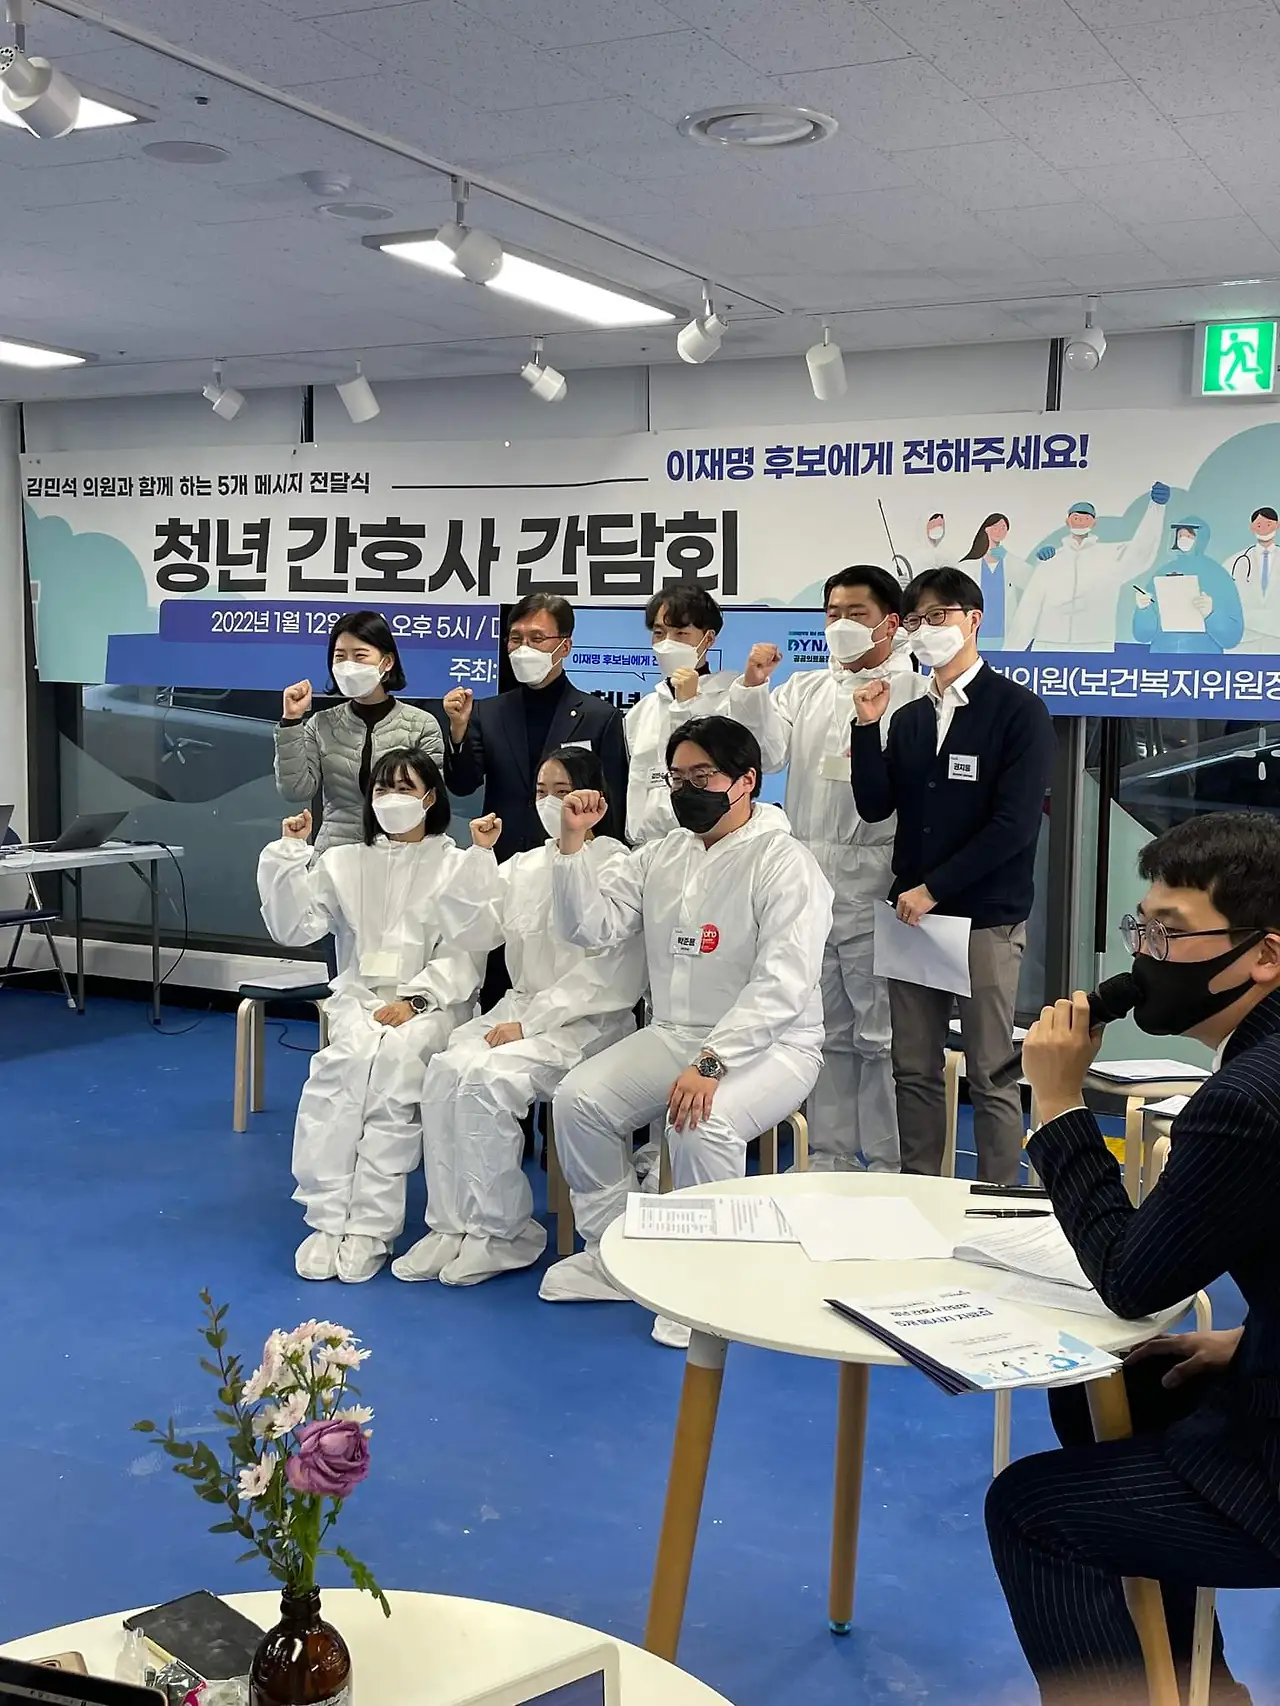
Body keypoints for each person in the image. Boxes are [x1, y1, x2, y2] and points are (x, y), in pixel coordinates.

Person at [986, 811, 1280, 1705]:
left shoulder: (1246, 1099)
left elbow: (1129, 1278)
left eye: (1170, 934)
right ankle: (1203, 1688)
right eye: (1139, 929)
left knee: (1032, 1513)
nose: (1146, 955)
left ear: (1264, 956)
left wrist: (1059, 1104)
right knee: (1122, 1381)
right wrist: (1248, 1341)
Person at [539, 715, 832, 1346]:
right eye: (677, 778)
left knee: (702, 1123)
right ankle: (616, 1250)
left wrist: (712, 1062)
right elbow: (590, 928)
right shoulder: (661, 855)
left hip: (776, 1044)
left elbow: (783, 983)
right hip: (675, 1030)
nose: (686, 790)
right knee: (578, 1101)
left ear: (746, 781)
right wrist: (572, 846)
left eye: (703, 776)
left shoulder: (784, 862)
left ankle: (710, 1280)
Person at [392, 747, 646, 1288]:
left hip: (589, 1022)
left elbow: (610, 971)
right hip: (522, 1009)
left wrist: (532, 1024)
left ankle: (501, 1231)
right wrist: (480, 856)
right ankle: (451, 1224)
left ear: (594, 798)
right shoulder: (526, 864)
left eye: (562, 791)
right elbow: (474, 931)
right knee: (444, 1072)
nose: (550, 803)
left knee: (486, 1081)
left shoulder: (618, 864)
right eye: (540, 791)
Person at [851, 568, 1055, 1185]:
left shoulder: (1017, 710)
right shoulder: (912, 716)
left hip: (984, 916)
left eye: (938, 616)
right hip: (912, 917)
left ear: (974, 620)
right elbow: (875, 806)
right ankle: (920, 1189)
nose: (926, 630)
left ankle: (999, 1198)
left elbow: (1014, 825)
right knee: (912, 1066)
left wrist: (935, 888)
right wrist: (866, 726)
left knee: (991, 1069)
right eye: (916, 620)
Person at [258, 749, 482, 1284]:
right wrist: (289, 856)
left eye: (405, 788)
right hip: (361, 1000)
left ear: (430, 798)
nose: (391, 799)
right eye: (382, 789)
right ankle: (327, 1217)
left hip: (432, 1006)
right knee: (337, 1075)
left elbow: (465, 952)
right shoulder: (345, 862)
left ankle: (371, 1227)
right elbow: (294, 928)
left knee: (393, 1080)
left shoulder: (455, 864)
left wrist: (417, 1001)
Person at [732, 565, 929, 1171]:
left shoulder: (916, 691)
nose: (841, 624)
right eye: (833, 613)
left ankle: (891, 1163)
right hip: (810, 876)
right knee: (824, 1027)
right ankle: (830, 1154)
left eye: (856, 614)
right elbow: (767, 754)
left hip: (880, 875)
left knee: (882, 1033)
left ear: (890, 623)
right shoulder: (807, 687)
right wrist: (754, 687)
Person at [442, 593, 629, 860]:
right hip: (504, 856)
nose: (524, 648)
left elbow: (614, 803)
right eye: (516, 639)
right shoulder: (489, 712)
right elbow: (462, 785)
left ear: (565, 646)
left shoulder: (600, 717)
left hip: (573, 856)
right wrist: (459, 729)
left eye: (537, 638)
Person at [275, 610, 445, 853]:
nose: (348, 665)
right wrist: (291, 722)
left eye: (360, 656)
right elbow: (296, 790)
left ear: (387, 662)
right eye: (340, 657)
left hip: (402, 853)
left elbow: (431, 801)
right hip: (335, 854)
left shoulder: (421, 725)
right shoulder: (321, 723)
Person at [624, 587, 781, 843]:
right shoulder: (643, 710)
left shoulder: (733, 696)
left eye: (681, 633)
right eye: (659, 633)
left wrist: (688, 705)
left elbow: (771, 758)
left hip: (715, 841)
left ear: (708, 639)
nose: (667, 644)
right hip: (649, 846)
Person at [1005, 483, 1170, 652]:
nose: (1081, 522)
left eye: (1086, 518)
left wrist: (1156, 508)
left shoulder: (1110, 556)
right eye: (1076, 518)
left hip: (1095, 645)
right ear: (1067, 521)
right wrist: (1010, 653)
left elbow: (1141, 551)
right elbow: (1029, 607)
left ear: (1094, 523)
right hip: (1049, 645)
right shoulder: (1052, 560)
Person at [1132, 516, 1244, 655]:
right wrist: (1144, 610)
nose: (1183, 539)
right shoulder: (1163, 573)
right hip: (1163, 657)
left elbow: (1232, 637)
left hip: (1204, 660)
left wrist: (1211, 615)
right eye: (1180, 535)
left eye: (1189, 536)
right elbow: (1143, 635)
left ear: (1201, 538)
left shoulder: (1218, 575)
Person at [960, 513, 1031, 650]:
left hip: (1003, 635)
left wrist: (1007, 557)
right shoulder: (968, 566)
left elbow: (1029, 581)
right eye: (996, 527)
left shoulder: (1010, 563)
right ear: (986, 529)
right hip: (976, 634)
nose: (1000, 531)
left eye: (1004, 527)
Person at [1231, 506, 1280, 652]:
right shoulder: (1237, 561)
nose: (1264, 529)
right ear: (1251, 527)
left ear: (1277, 525)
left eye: (1268, 524)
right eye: (1259, 525)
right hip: (1247, 638)